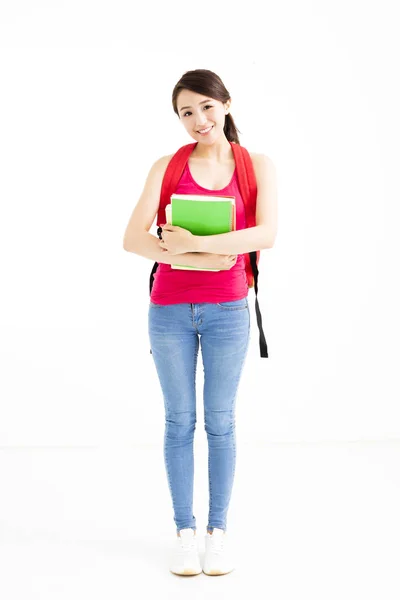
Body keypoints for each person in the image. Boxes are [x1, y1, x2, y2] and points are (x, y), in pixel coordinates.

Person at [123, 69, 278, 575]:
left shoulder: (256, 166)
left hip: (229, 311)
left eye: (206, 107)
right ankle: (185, 532)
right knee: (178, 421)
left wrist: (191, 245)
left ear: (226, 105)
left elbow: (265, 235)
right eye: (186, 112)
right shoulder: (167, 167)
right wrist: (196, 259)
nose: (198, 120)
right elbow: (133, 239)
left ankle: (218, 532)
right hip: (168, 309)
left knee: (220, 422)